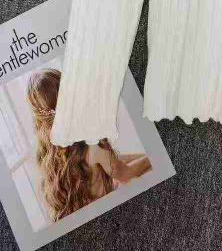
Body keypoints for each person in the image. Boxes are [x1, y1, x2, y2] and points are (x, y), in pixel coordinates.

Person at [26, 68, 152, 221]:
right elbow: (125, 173)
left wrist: (145, 155)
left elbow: (112, 162)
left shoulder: (45, 151)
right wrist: (152, 157)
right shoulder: (90, 142)